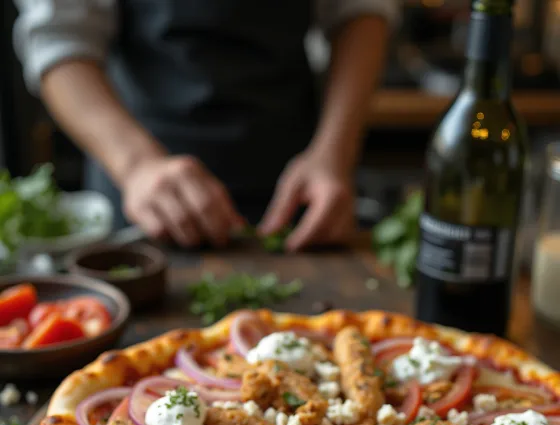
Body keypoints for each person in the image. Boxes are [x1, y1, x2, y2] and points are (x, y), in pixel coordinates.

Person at [14, 1, 397, 251]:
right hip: (142, 196)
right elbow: (60, 41)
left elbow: (360, 12)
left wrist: (333, 152)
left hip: (297, 186)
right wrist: (137, 166)